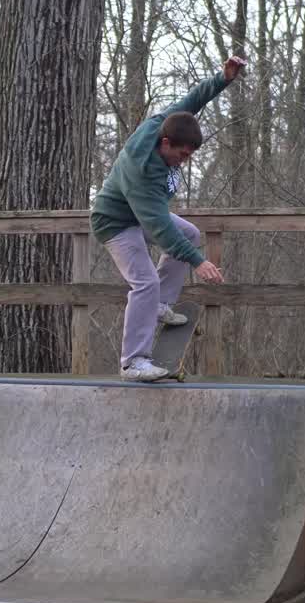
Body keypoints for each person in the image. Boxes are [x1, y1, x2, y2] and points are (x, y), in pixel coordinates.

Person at [91, 56, 246, 382]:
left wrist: (223, 79)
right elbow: (159, 227)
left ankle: (160, 305)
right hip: (115, 223)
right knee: (144, 281)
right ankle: (133, 362)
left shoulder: (161, 123)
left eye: (190, 156)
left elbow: (191, 101)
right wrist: (198, 263)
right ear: (165, 144)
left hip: (138, 215)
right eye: (182, 155)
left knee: (188, 233)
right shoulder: (143, 171)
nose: (184, 162)